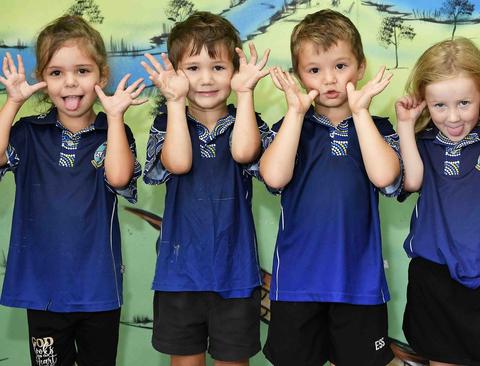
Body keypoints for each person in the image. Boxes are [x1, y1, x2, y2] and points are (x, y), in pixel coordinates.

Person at [0, 15, 144, 366]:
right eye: (56, 73)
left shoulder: (114, 134)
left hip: (98, 289)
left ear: (102, 76)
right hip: (43, 288)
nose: (70, 84)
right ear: (42, 80)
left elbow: (121, 178)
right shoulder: (28, 132)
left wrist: (114, 119)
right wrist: (12, 103)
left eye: (82, 71)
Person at [259, 9, 400, 366]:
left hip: (359, 284)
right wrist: (294, 114)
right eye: (314, 70)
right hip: (297, 283)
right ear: (297, 76)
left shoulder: (377, 128)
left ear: (361, 67)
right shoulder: (290, 127)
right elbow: (273, 178)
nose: (329, 80)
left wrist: (362, 114)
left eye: (341, 66)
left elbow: (386, 178)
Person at [140, 11, 270, 366]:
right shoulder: (168, 122)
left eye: (218, 67)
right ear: (175, 74)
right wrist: (174, 102)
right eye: (192, 68)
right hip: (180, 276)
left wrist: (245, 95)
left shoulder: (248, 123)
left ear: (236, 71)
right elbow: (178, 162)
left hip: (236, 275)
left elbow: (244, 152)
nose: (206, 79)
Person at [396, 37, 480, 366]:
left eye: (464, 103)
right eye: (439, 105)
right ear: (424, 102)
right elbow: (412, 181)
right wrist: (404, 125)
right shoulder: (423, 142)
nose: (453, 117)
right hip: (433, 277)